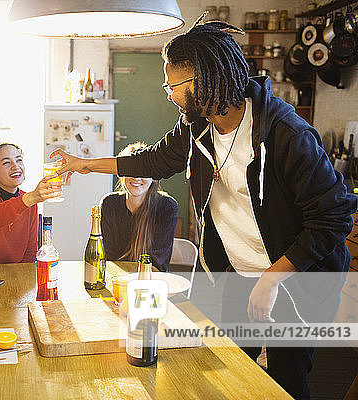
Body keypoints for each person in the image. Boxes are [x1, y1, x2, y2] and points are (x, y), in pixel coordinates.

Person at [51, 16, 356, 400]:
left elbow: (332, 220)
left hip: (299, 277)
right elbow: (152, 161)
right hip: (240, 272)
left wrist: (272, 278)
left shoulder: (287, 135)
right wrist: (85, 164)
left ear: (202, 82)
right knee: (229, 369)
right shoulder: (198, 125)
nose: (168, 94)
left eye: (172, 86)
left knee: (285, 380)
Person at [0, 143, 63, 266]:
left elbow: (30, 253)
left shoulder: (29, 202)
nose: (16, 166)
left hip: (14, 273)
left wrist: (24, 279)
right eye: (6, 163)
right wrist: (31, 198)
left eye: (19, 160)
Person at [100, 142, 178, 270]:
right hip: (117, 278)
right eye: (130, 170)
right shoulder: (109, 204)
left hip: (152, 280)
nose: (136, 177)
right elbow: (109, 256)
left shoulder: (167, 207)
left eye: (144, 171)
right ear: (121, 174)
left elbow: (156, 262)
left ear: (154, 177)